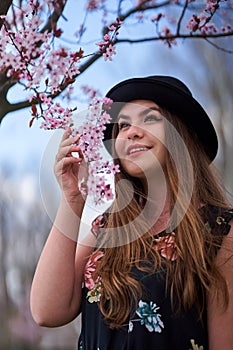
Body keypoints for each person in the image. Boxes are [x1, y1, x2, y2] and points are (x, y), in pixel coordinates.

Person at [30, 75, 233, 350]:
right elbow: (47, 311)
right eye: (123, 125)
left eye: (150, 119)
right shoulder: (106, 229)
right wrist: (72, 198)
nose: (131, 132)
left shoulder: (221, 229)